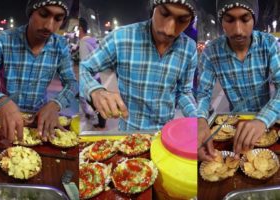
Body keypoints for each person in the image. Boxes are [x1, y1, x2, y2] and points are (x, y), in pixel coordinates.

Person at [80, 0, 198, 130]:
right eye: (164, 14)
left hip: (164, 136)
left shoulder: (189, 48)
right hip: (128, 136)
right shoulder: (121, 38)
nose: (169, 30)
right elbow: (83, 68)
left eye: (182, 20)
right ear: (153, 7)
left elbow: (184, 92)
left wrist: (197, 119)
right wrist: (95, 91)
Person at [0, 0, 77, 141]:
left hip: (39, 119)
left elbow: (72, 83)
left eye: (58, 18)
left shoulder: (61, 45)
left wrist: (56, 104)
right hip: (5, 117)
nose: (49, 27)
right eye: (43, 14)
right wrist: (1, 101)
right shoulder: (2, 40)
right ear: (30, 13)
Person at [197, 0, 280, 161]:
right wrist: (200, 120)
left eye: (245, 19)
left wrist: (262, 119)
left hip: (268, 119)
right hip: (234, 122)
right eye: (229, 20)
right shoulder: (211, 52)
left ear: (254, 19)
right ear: (221, 21)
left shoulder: (268, 44)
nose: (238, 31)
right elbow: (203, 94)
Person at [79, 17, 106, 129]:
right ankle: (101, 120)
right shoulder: (93, 41)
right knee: (95, 102)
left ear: (80, 29)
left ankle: (101, 123)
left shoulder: (83, 43)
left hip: (89, 79)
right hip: (97, 77)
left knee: (94, 103)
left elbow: (84, 65)